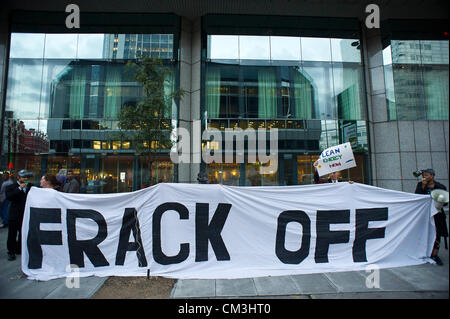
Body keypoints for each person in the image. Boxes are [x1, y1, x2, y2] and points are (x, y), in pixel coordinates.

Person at [414, 168, 448, 266]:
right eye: (423, 175)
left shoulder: (440, 187)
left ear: (432, 176)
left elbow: (445, 201)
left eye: (427, 175)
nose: (424, 177)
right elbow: (417, 197)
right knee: (425, 232)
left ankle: (435, 254)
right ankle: (424, 251)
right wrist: (423, 186)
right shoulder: (420, 185)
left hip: (437, 214)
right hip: (424, 214)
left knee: (437, 234)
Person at [5, 169, 34, 261]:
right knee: (12, 235)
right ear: (18, 177)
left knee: (23, 233)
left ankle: (19, 249)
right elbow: (9, 197)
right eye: (23, 177)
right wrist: (20, 188)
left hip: (25, 215)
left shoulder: (31, 186)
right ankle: (11, 252)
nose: (25, 179)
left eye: (27, 177)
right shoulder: (11, 187)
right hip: (14, 215)